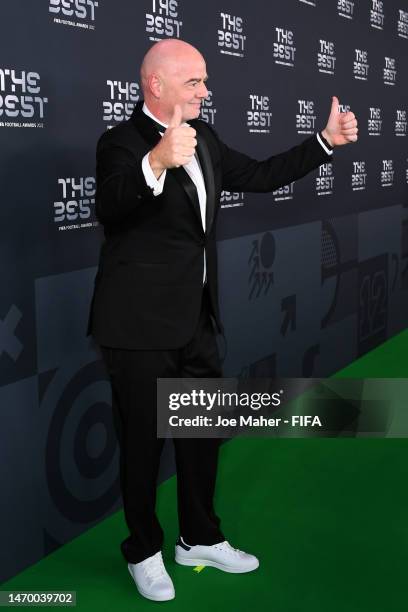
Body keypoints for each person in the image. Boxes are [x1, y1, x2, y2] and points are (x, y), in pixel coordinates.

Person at [88, 38, 358, 602]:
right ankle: (143, 550)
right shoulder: (119, 143)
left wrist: (323, 143)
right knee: (142, 443)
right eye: (194, 83)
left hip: (197, 321)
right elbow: (110, 206)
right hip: (136, 328)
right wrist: (157, 160)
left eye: (205, 81)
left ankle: (199, 538)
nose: (206, 91)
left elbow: (259, 175)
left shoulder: (206, 138)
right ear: (156, 85)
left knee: (201, 436)